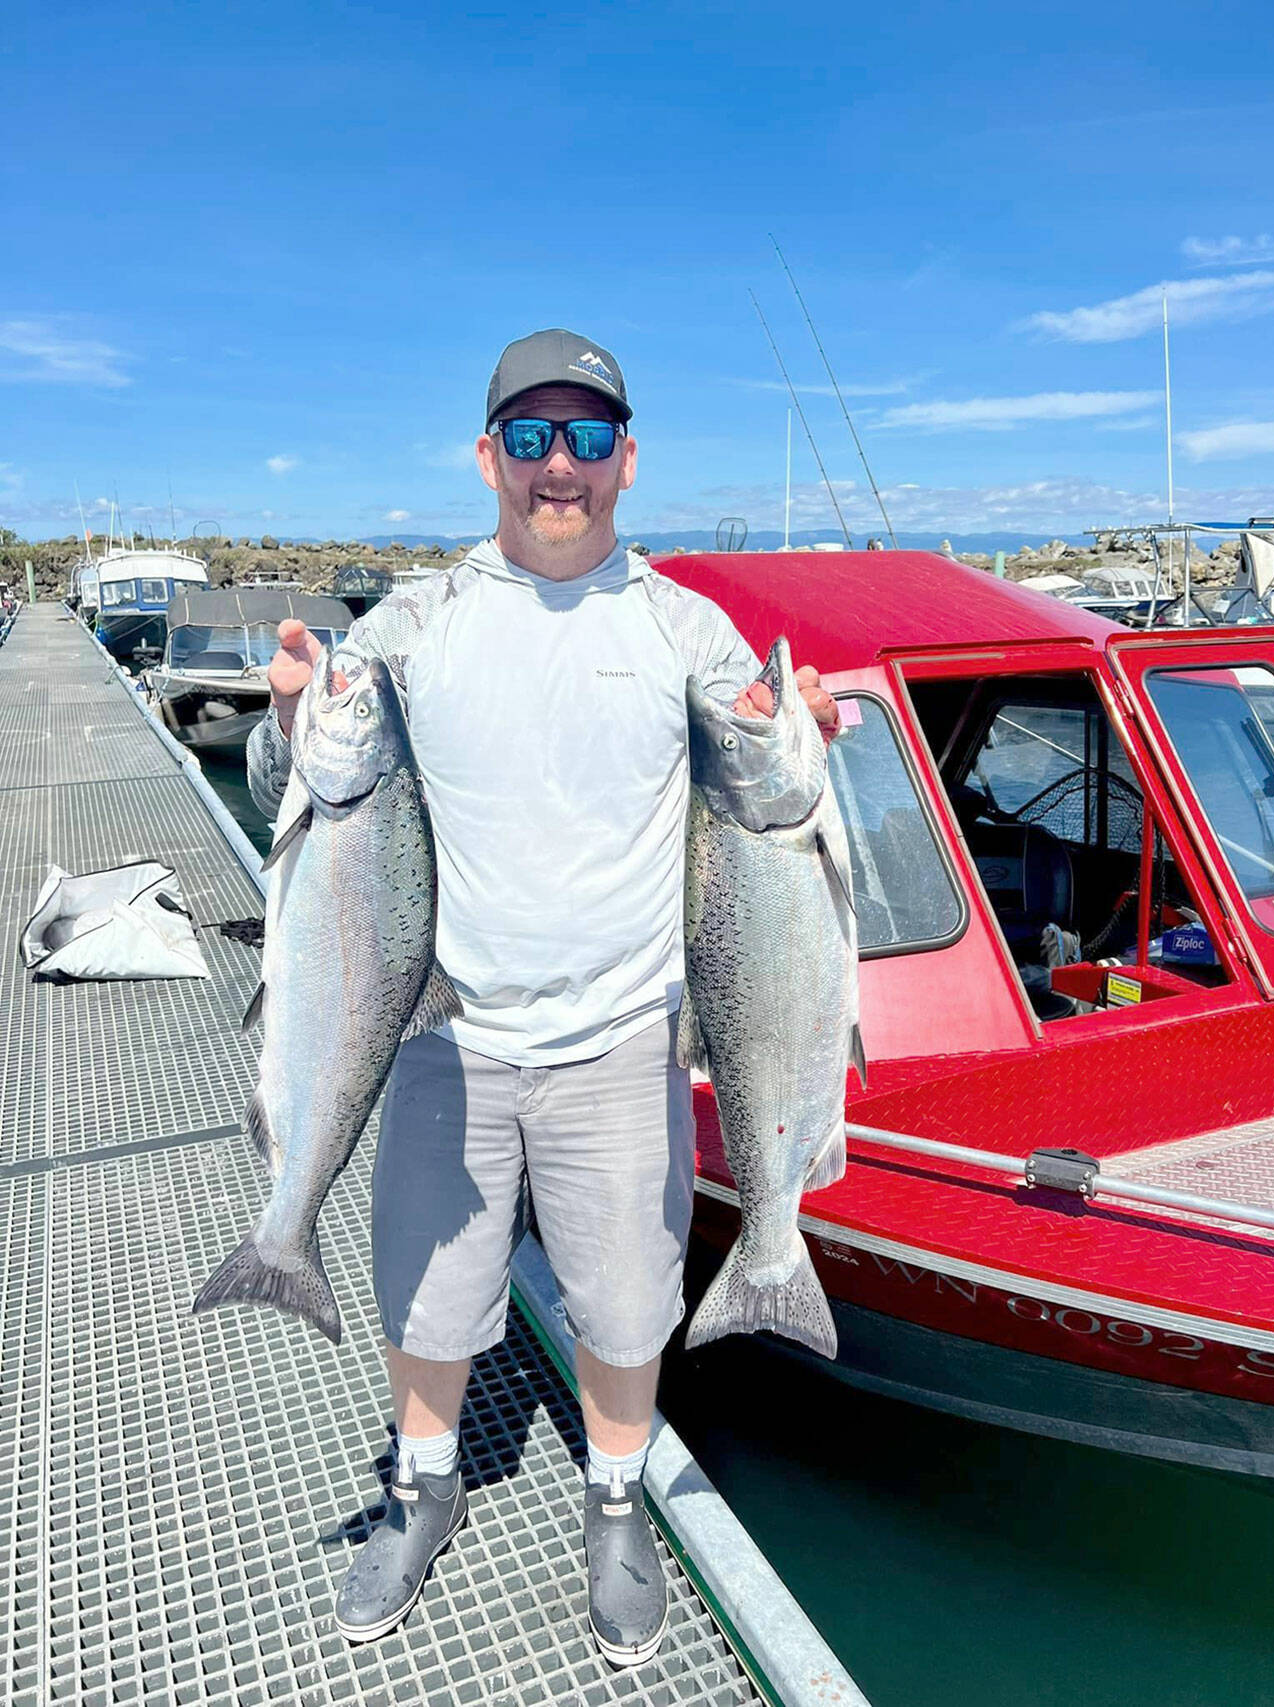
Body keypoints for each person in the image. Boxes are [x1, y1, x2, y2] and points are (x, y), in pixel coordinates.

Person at [246, 328, 838, 1666]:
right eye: (529, 436)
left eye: (585, 437)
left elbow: (752, 740)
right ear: (487, 457)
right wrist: (292, 700)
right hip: (444, 1036)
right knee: (429, 1299)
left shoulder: (683, 623)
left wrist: (802, 727)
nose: (556, 466)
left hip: (623, 1040)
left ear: (628, 458)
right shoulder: (415, 620)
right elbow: (330, 736)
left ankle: (616, 1503)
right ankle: (426, 1483)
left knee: (626, 1308)